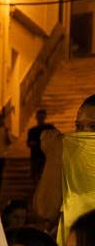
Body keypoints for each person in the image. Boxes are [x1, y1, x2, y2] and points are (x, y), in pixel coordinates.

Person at [32, 94, 95, 223]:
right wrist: (54, 156)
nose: (83, 134)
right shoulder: (72, 164)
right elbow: (45, 211)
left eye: (93, 127)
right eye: (79, 126)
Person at [27, 109, 57, 185]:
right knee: (36, 175)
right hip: (36, 155)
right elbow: (28, 143)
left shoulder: (50, 128)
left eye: (42, 116)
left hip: (46, 155)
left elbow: (57, 138)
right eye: (39, 116)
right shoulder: (32, 130)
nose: (40, 118)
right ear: (36, 117)